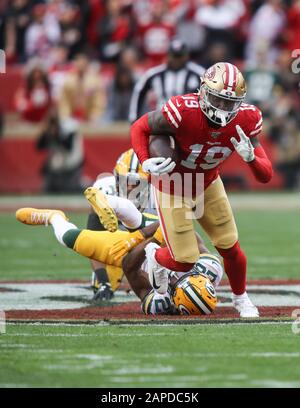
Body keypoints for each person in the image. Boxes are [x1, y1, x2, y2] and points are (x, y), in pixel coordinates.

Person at [131, 62, 274, 318]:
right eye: (217, 100)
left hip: (208, 183)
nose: (222, 109)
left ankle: (241, 299)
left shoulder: (247, 118)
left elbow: (266, 175)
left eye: (229, 103)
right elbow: (140, 127)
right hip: (173, 186)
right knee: (184, 260)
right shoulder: (182, 110)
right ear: (203, 92)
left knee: (231, 247)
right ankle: (154, 254)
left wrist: (251, 158)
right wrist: (144, 159)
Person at [15, 207, 223, 316]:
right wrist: (149, 235)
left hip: (131, 252)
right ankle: (108, 198)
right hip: (160, 233)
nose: (178, 280)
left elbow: (129, 268)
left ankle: (53, 217)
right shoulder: (209, 268)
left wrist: (145, 245)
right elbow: (185, 231)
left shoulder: (160, 304)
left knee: (68, 239)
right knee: (142, 216)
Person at [129, 38, 205, 123]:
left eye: (179, 56)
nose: (177, 60)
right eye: (174, 56)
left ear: (186, 56)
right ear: (168, 56)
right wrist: (134, 117)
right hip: (162, 119)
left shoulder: (199, 74)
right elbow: (139, 91)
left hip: (189, 120)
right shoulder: (154, 74)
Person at [36, 111, 85, 193]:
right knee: (50, 189)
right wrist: (45, 133)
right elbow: (39, 147)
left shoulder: (68, 131)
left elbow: (68, 148)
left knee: (70, 190)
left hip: (72, 164)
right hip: (57, 167)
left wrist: (57, 136)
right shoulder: (50, 132)